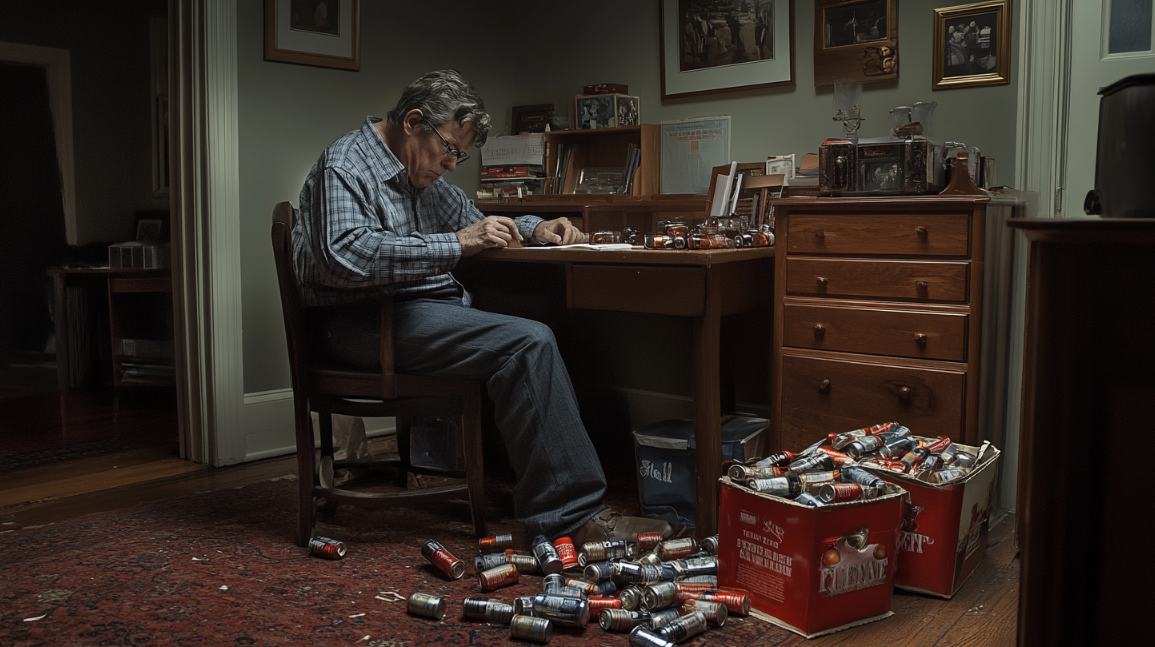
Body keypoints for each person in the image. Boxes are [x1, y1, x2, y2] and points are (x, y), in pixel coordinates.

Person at [291, 70, 676, 546]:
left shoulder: (421, 173)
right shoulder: (345, 166)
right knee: (527, 343)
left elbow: (475, 218)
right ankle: (570, 517)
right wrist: (454, 244)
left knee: (545, 330)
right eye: (449, 150)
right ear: (414, 121)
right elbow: (343, 256)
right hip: (360, 323)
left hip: (411, 314)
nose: (452, 165)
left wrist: (535, 227)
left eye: (460, 154)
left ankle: (536, 484)